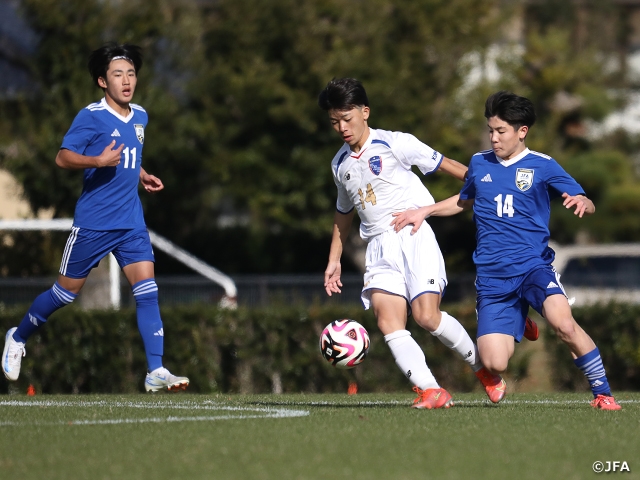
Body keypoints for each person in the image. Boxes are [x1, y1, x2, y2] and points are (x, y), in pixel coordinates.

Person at [391, 90, 621, 410]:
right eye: (490, 130)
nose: (493, 138)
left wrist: (583, 201)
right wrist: (424, 211)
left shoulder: (543, 166)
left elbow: (587, 201)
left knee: (564, 324)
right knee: (494, 363)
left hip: (532, 268)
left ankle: (603, 395)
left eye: (501, 131)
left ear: (521, 131)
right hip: (492, 278)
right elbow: (464, 200)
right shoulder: (478, 162)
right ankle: (520, 314)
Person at [1, 42, 189, 393]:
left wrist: (141, 173)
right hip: (94, 223)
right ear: (102, 81)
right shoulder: (90, 116)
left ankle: (156, 369)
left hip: (131, 222)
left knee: (147, 291)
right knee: (64, 294)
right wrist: (97, 162)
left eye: (131, 73)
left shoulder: (141, 116)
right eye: (118, 74)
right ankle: (18, 335)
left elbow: (128, 154)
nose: (126, 80)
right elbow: (63, 157)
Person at [319, 77, 509, 409]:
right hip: (377, 246)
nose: (342, 128)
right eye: (334, 122)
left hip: (413, 236)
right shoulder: (339, 165)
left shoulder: (396, 143)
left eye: (346, 119)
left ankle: (484, 371)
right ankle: (431, 389)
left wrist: (493, 186)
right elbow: (343, 213)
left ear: (365, 112)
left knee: (426, 317)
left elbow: (452, 167)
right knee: (387, 320)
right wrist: (334, 259)